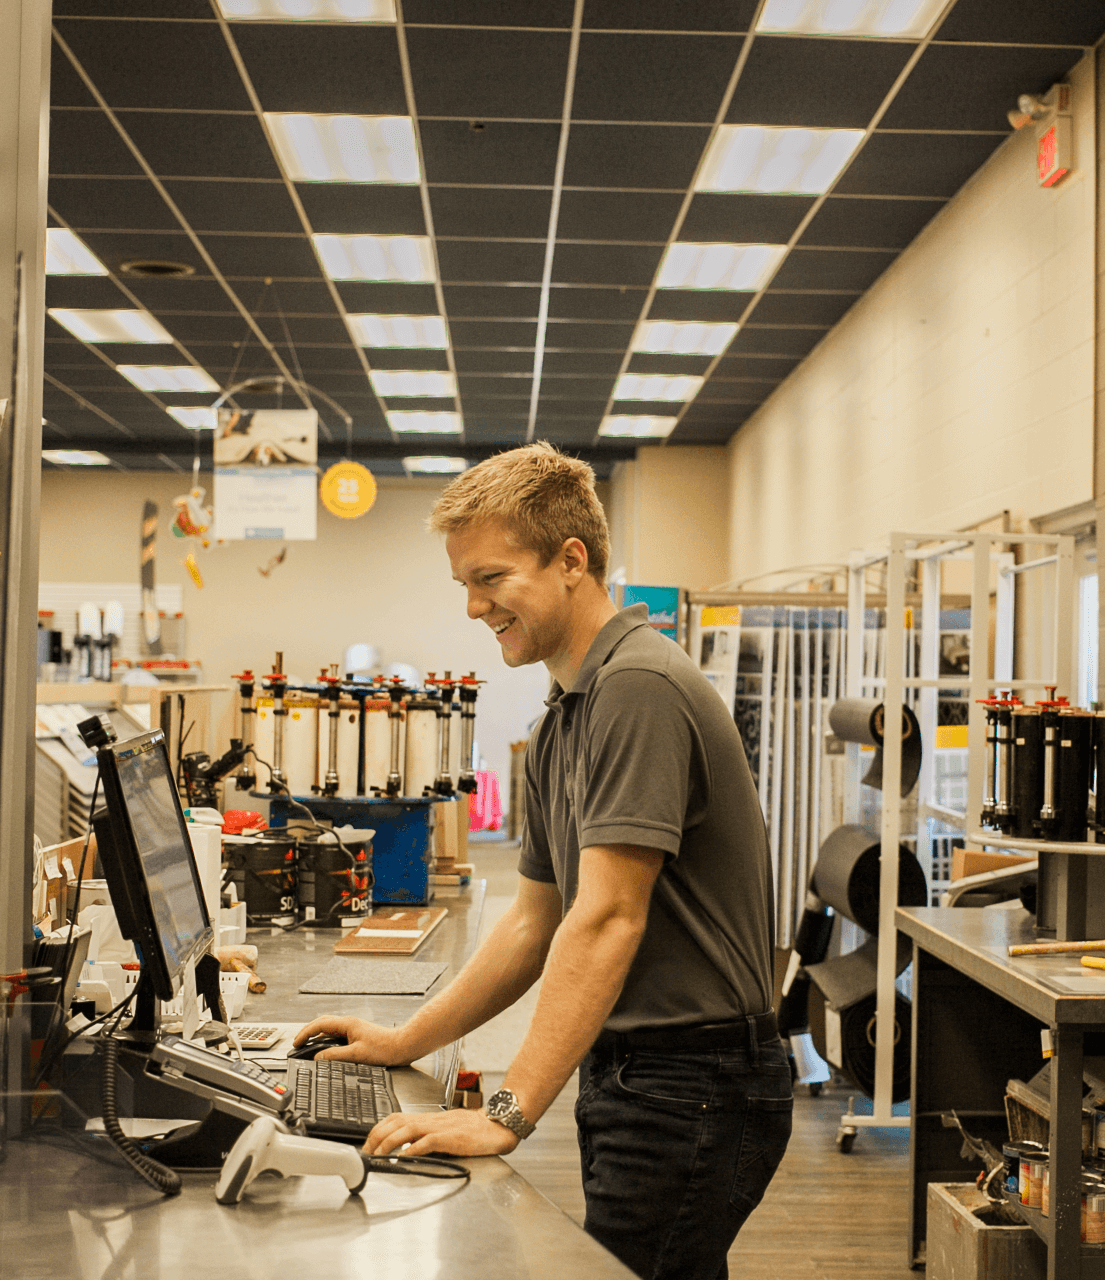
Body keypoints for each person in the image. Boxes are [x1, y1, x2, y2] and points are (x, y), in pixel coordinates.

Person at [294, 442, 792, 1280]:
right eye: (463, 585)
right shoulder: (568, 713)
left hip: (692, 1080)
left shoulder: (639, 689)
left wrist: (506, 1113)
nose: (473, 607)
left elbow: (606, 919)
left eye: (490, 578)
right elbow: (536, 921)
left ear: (572, 561)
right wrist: (403, 1040)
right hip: (640, 1074)